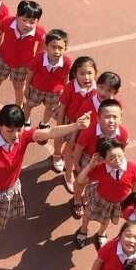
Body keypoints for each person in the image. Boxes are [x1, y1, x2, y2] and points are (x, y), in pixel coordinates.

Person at [0, 104, 90, 267]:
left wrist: (76, 126)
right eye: (10, 131)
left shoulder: (23, 137)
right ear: (0, 126)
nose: (15, 135)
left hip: (6, 192)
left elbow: (50, 132)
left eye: (19, 129)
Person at [0, 0, 44, 109]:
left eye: (32, 22)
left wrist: (34, 61)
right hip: (3, 59)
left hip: (22, 65)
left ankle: (19, 105)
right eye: (24, 20)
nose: (27, 25)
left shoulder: (39, 32)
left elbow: (42, 44)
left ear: (38, 21)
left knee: (18, 86)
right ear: (17, 16)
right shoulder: (7, 22)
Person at [74, 138, 136, 251]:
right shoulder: (101, 169)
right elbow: (80, 181)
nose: (117, 160)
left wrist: (134, 198)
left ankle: (101, 234)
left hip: (118, 203)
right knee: (88, 215)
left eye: (119, 155)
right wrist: (90, 166)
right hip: (100, 199)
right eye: (112, 157)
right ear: (103, 159)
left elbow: (135, 182)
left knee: (107, 219)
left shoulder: (132, 166)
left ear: (123, 151)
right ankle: (83, 230)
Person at [71, 98, 128, 220]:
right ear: (98, 118)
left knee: (97, 183)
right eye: (107, 117)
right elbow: (78, 149)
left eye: (115, 117)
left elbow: (122, 150)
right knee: (80, 182)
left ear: (121, 118)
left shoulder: (123, 133)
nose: (111, 120)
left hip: (108, 162)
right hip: (89, 159)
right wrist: (77, 165)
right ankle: (77, 200)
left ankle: (87, 197)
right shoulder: (89, 131)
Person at [52, 56, 97, 184]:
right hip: (67, 119)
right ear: (75, 74)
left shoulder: (96, 90)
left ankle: (68, 170)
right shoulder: (71, 87)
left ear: (95, 73)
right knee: (59, 138)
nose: (86, 77)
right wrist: (60, 125)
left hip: (82, 124)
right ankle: (56, 155)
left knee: (71, 147)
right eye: (82, 74)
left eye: (89, 73)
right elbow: (63, 107)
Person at [22, 29, 71, 130]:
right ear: (46, 47)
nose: (57, 51)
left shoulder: (66, 62)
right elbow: (30, 72)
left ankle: (44, 123)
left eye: (60, 48)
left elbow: (66, 76)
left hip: (54, 92)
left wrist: (64, 91)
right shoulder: (39, 58)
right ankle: (26, 120)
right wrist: (27, 87)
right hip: (36, 89)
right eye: (53, 47)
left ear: (65, 48)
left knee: (50, 108)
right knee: (29, 105)